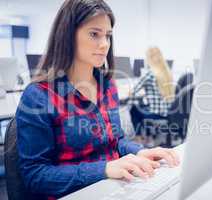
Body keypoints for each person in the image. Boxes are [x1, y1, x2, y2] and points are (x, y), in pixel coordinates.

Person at [15, 0, 179, 199]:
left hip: (113, 188)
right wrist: (104, 169)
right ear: (68, 35)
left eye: (108, 36)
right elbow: (35, 175)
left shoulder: (107, 86)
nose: (104, 44)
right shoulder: (39, 96)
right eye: (94, 34)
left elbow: (114, 142)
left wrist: (139, 152)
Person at [129, 47, 175, 146]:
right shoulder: (167, 72)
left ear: (149, 59)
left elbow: (133, 91)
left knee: (134, 109)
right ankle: (148, 135)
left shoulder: (149, 74)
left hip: (157, 113)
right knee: (142, 106)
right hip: (168, 111)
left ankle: (140, 138)